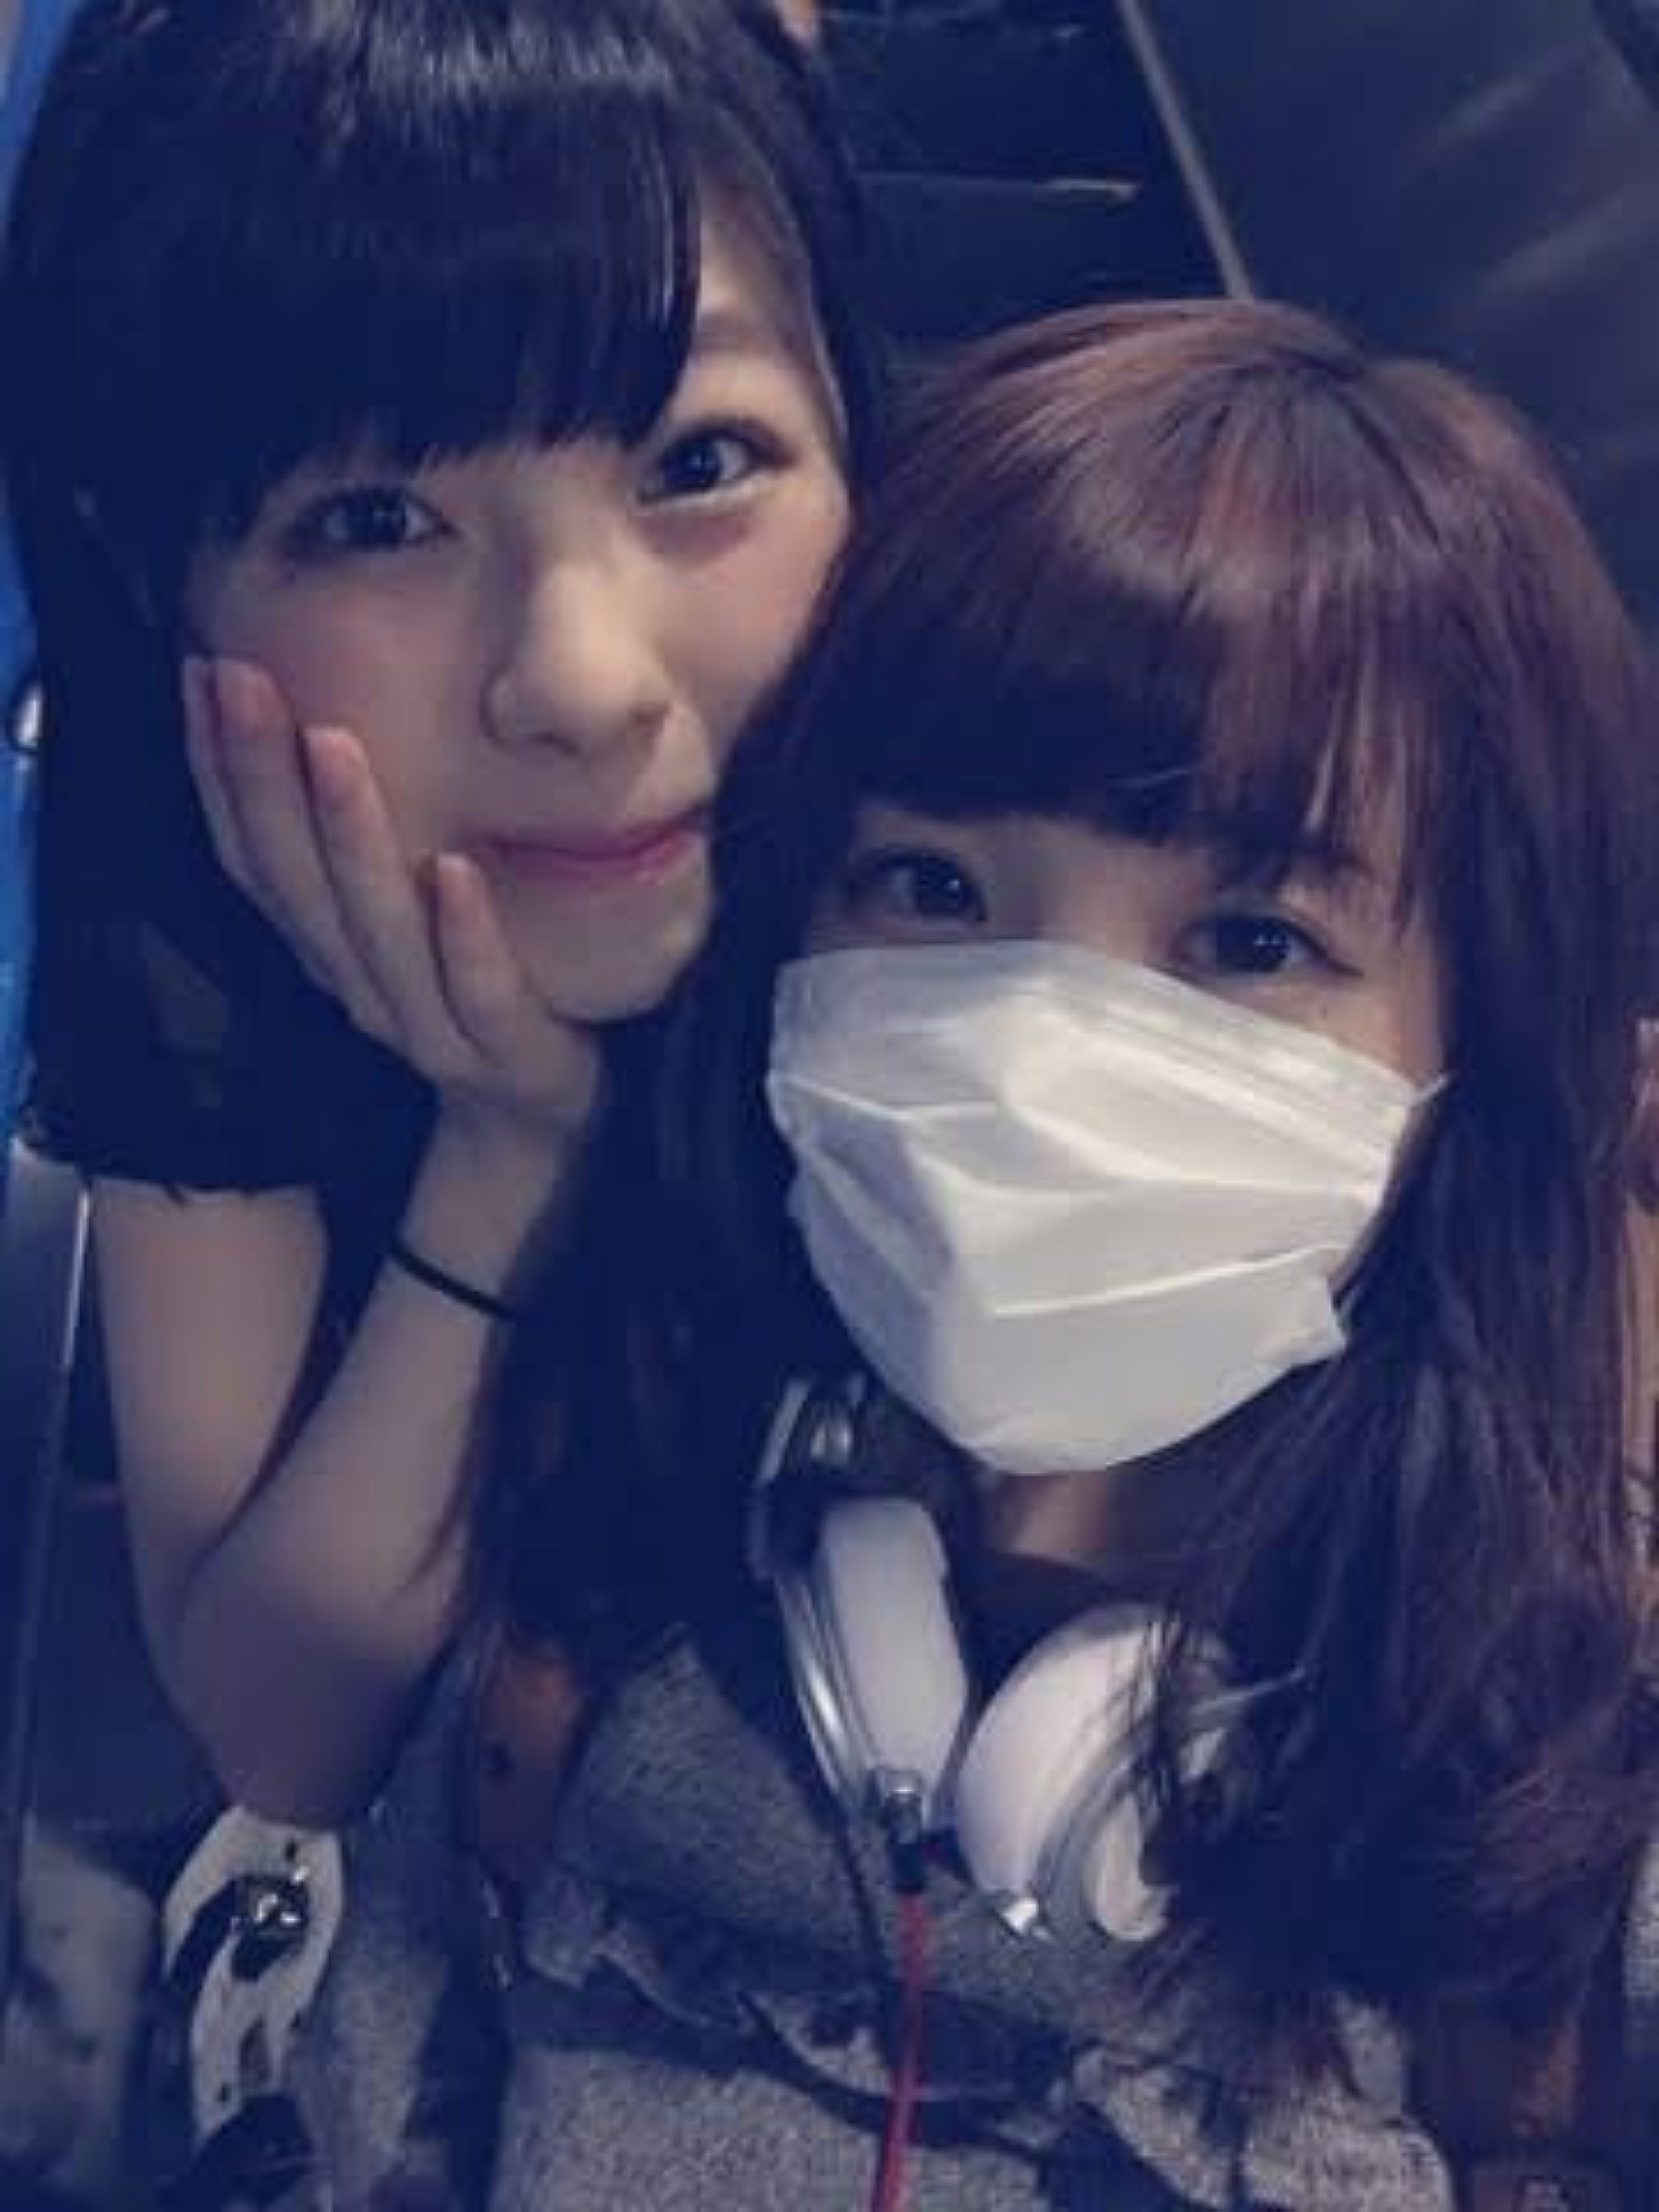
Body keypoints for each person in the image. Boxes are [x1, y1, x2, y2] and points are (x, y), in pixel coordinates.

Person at [547, 297, 1655, 2206]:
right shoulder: (596, 1579)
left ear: (1469, 1053)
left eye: (1251, 943)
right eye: (931, 887)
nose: (1034, 1052)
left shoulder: (1574, 1833)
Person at [0, 0, 878, 1832]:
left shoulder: (1022, 789)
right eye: (377, 518)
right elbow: (280, 1730)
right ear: (161, 578)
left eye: (699, 460)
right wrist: (505, 1156)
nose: (581, 681)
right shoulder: (209, 902)